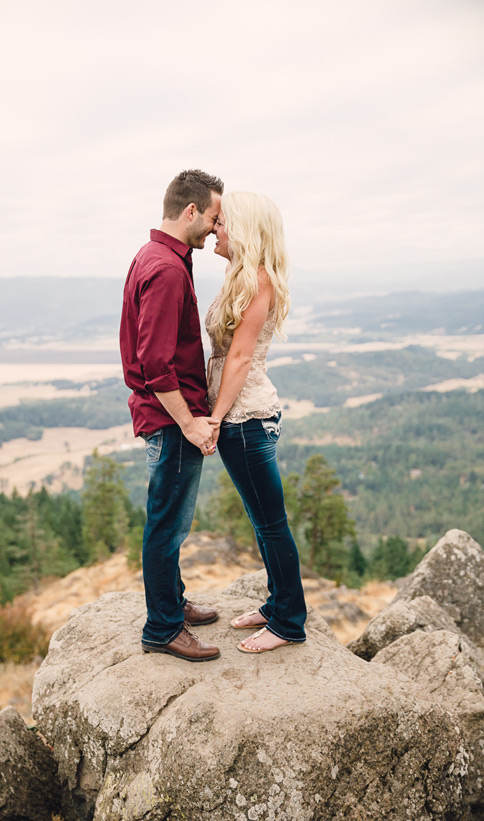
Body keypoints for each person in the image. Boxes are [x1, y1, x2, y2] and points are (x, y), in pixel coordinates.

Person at [120, 169, 224, 662]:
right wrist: (188, 422)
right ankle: (163, 628)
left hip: (166, 416)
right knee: (166, 525)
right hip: (170, 420)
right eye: (212, 216)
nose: (214, 227)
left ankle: (173, 604)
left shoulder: (156, 256)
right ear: (190, 212)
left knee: (170, 523)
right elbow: (155, 362)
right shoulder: (164, 268)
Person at [205, 191, 306, 653]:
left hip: (245, 417)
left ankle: (289, 621)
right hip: (239, 416)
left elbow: (241, 357)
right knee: (260, 518)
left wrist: (215, 417)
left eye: (223, 222)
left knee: (270, 523)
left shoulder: (258, 281)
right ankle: (277, 603)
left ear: (243, 229)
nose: (215, 229)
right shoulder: (240, 277)